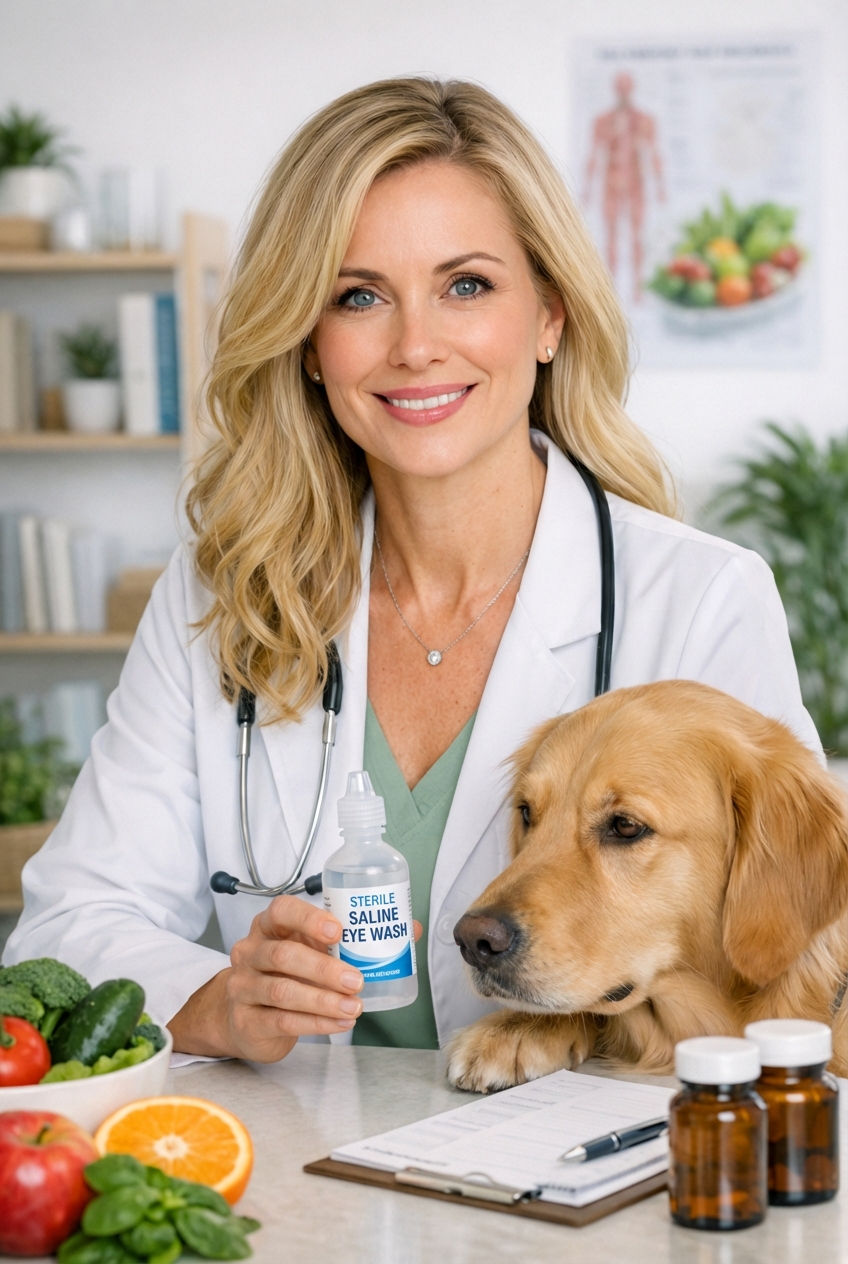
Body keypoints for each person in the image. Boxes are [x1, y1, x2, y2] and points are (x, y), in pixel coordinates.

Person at [4, 78, 819, 1064]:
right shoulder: (220, 594)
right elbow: (65, 923)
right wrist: (212, 998)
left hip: (592, 1178)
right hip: (289, 1181)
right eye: (358, 296)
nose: (415, 346)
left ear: (549, 316)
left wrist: (553, 1027)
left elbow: (775, 960)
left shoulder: (695, 599)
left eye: (465, 284)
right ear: (308, 343)